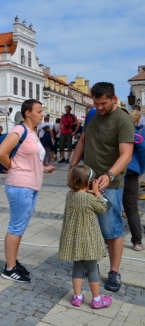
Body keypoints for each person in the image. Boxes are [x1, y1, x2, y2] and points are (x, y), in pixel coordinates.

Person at [70, 82, 134, 292]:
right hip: (86, 181)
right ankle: (91, 263)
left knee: (111, 229)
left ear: (114, 99)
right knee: (90, 227)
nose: (100, 107)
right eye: (96, 103)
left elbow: (126, 154)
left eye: (103, 103)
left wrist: (110, 174)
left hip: (110, 184)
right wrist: (72, 166)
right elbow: (82, 141)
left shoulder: (123, 120)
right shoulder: (92, 115)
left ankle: (114, 272)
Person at [0, 99, 55, 283]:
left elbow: (29, 158)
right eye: (38, 111)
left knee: (20, 227)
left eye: (42, 110)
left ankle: (12, 262)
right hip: (20, 185)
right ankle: (9, 268)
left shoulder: (33, 132)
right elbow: (1, 153)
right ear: (27, 113)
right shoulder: (19, 130)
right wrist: (14, 167)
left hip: (31, 185)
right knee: (16, 227)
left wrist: (43, 168)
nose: (42, 114)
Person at [59, 165, 112, 309]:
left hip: (74, 240)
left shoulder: (70, 195)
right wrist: (97, 193)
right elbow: (103, 208)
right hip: (89, 240)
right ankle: (96, 299)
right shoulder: (89, 198)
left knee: (77, 268)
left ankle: (77, 297)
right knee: (92, 269)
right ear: (89, 181)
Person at [123, 110, 143, 251]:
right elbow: (142, 152)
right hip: (131, 172)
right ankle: (137, 242)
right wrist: (140, 169)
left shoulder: (120, 132)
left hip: (116, 171)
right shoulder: (138, 135)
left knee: (111, 206)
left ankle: (108, 238)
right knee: (131, 208)